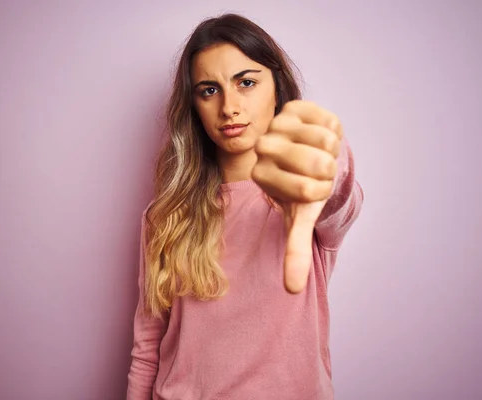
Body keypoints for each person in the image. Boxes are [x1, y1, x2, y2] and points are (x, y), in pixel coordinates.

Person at [126, 13, 363, 400]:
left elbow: (339, 197)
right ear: (195, 107)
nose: (229, 106)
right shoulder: (166, 214)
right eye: (208, 90)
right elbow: (147, 344)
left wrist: (323, 156)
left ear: (277, 91)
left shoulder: (303, 202)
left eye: (246, 83)